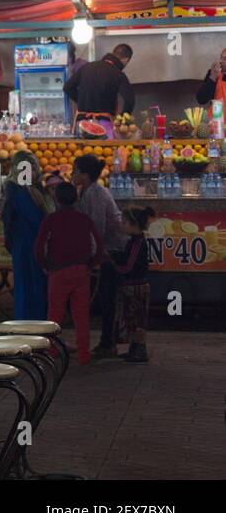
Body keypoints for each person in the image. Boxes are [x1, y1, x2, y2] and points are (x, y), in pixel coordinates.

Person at [33, 182, 103, 365]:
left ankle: (52, 350)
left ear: (56, 199)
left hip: (57, 272)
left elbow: (39, 248)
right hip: (81, 271)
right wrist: (91, 265)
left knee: (54, 313)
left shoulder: (50, 220)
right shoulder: (85, 220)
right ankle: (83, 355)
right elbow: (98, 246)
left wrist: (45, 264)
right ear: (77, 198)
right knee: (81, 315)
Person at [72, 153, 125, 359]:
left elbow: (96, 230)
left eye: (75, 170)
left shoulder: (96, 194)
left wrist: (93, 258)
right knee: (105, 297)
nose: (72, 174)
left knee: (108, 298)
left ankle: (108, 343)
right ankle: (107, 341)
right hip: (106, 251)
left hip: (113, 251)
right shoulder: (85, 191)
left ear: (85, 175)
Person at [1, 150, 53, 320]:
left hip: (22, 245)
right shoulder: (24, 193)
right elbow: (38, 222)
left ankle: (25, 324)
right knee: (33, 286)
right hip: (31, 245)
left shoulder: (15, 190)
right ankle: (33, 327)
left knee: (25, 286)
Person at [114, 205, 154, 363]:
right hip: (135, 285)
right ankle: (134, 349)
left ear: (134, 224)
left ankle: (140, 350)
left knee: (137, 320)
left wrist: (115, 266)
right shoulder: (135, 241)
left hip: (136, 287)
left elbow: (129, 266)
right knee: (134, 320)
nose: (121, 225)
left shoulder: (137, 243)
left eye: (124, 222)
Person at [63, 43, 134, 116]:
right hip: (105, 120)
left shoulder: (87, 67)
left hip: (83, 118)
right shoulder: (118, 74)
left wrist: (81, 101)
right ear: (125, 60)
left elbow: (67, 87)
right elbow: (129, 100)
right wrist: (123, 118)